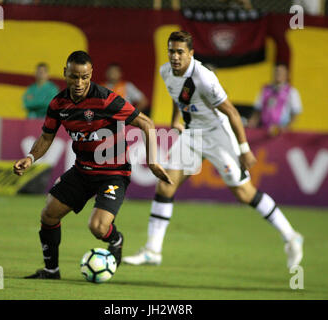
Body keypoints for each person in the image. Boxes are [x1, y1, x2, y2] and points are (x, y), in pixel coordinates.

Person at [123, 31, 303, 269]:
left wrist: (244, 149)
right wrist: (177, 121)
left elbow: (232, 112)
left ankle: (291, 236)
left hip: (218, 136)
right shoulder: (165, 71)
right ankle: (153, 250)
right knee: (165, 183)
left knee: (244, 194)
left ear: (191, 54)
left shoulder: (204, 78)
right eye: (172, 51)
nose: (175, 56)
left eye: (180, 52)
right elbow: (180, 98)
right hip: (193, 134)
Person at [13, 51, 172, 279]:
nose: (79, 83)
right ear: (65, 73)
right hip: (82, 170)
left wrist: (153, 161)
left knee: (97, 227)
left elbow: (146, 122)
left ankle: (115, 239)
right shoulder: (58, 103)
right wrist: (30, 158)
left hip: (113, 174)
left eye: (84, 77)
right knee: (48, 214)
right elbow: (46, 137)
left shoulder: (105, 99)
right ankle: (51, 270)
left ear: (91, 75)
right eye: (74, 77)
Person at [248, 64, 303, 136]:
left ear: (287, 75)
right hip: (264, 130)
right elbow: (258, 111)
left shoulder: (292, 92)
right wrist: (252, 123)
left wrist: (286, 128)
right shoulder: (265, 89)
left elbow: (295, 114)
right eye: (276, 72)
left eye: (281, 72)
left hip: (281, 132)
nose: (278, 74)